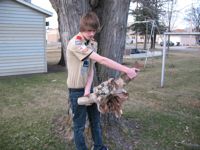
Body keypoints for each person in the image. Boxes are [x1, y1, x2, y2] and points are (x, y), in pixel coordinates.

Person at [66, 11, 139, 150]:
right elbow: (102, 60)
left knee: (95, 121)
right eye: (89, 30)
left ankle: (99, 147)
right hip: (76, 91)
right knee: (79, 126)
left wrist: (88, 88)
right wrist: (127, 70)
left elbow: (91, 68)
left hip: (90, 90)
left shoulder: (92, 43)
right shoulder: (75, 43)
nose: (92, 33)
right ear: (82, 28)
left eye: (94, 30)